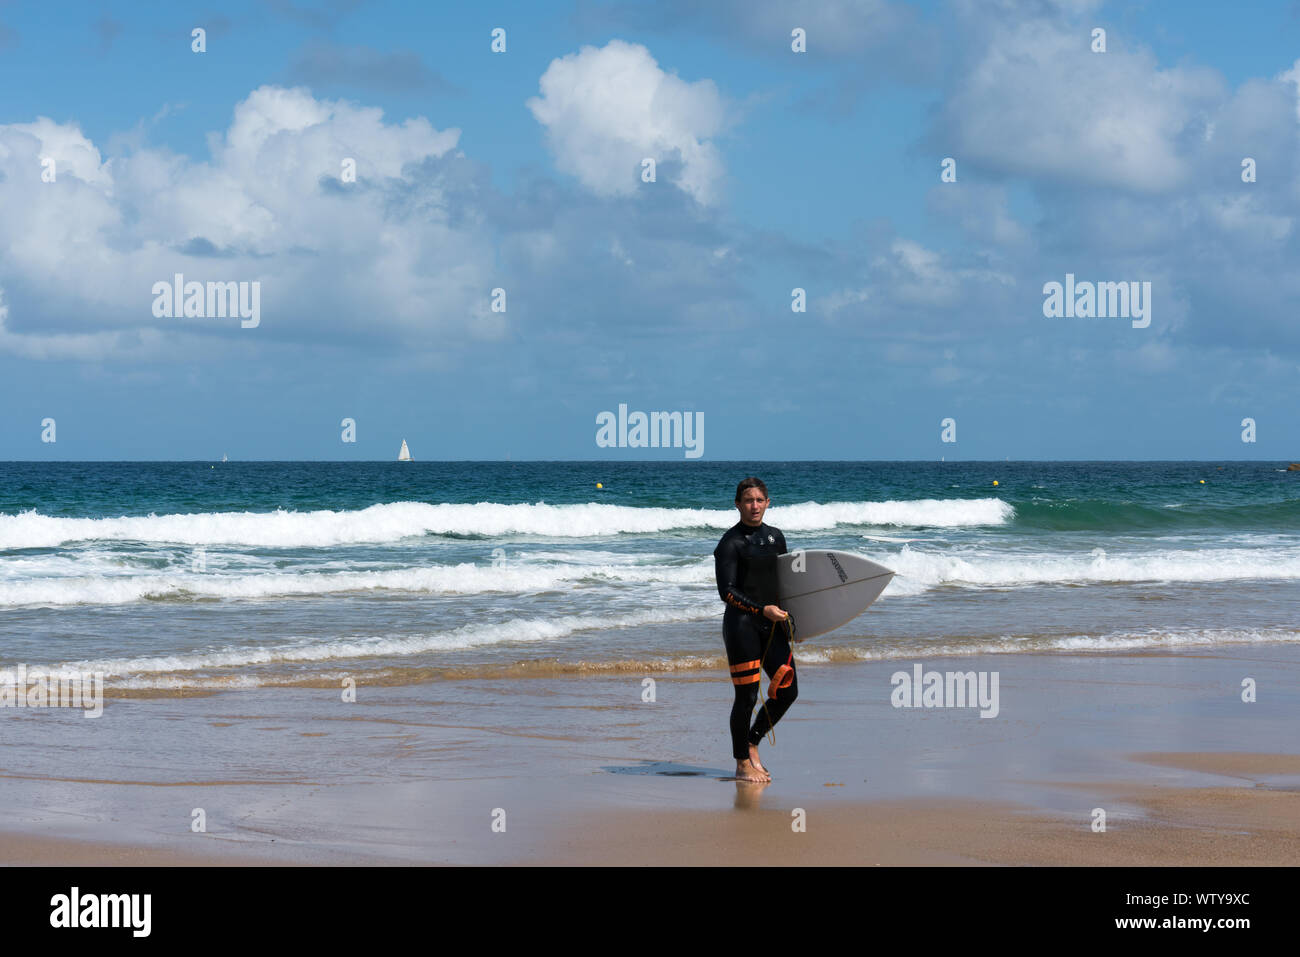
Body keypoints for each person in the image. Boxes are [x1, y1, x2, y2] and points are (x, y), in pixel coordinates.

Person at [713, 477, 801, 783]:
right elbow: (727, 591)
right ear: (737, 504)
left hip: (773, 625)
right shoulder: (730, 543)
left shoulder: (777, 539)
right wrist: (761, 609)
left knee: (789, 691)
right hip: (742, 627)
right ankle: (741, 764)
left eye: (760, 500)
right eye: (748, 500)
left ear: (768, 502)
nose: (754, 506)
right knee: (747, 697)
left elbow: (785, 586)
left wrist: (794, 620)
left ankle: (752, 742)